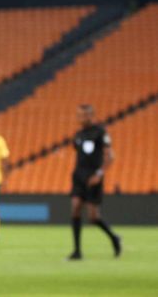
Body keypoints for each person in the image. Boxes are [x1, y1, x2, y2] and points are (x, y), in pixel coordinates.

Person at [68, 104, 121, 261]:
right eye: (79, 115)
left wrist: (99, 174)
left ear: (92, 115)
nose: (81, 118)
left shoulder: (100, 132)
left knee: (93, 217)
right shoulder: (78, 135)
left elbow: (110, 156)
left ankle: (114, 237)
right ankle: (77, 251)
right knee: (75, 207)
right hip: (79, 177)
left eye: (84, 115)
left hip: (93, 177)